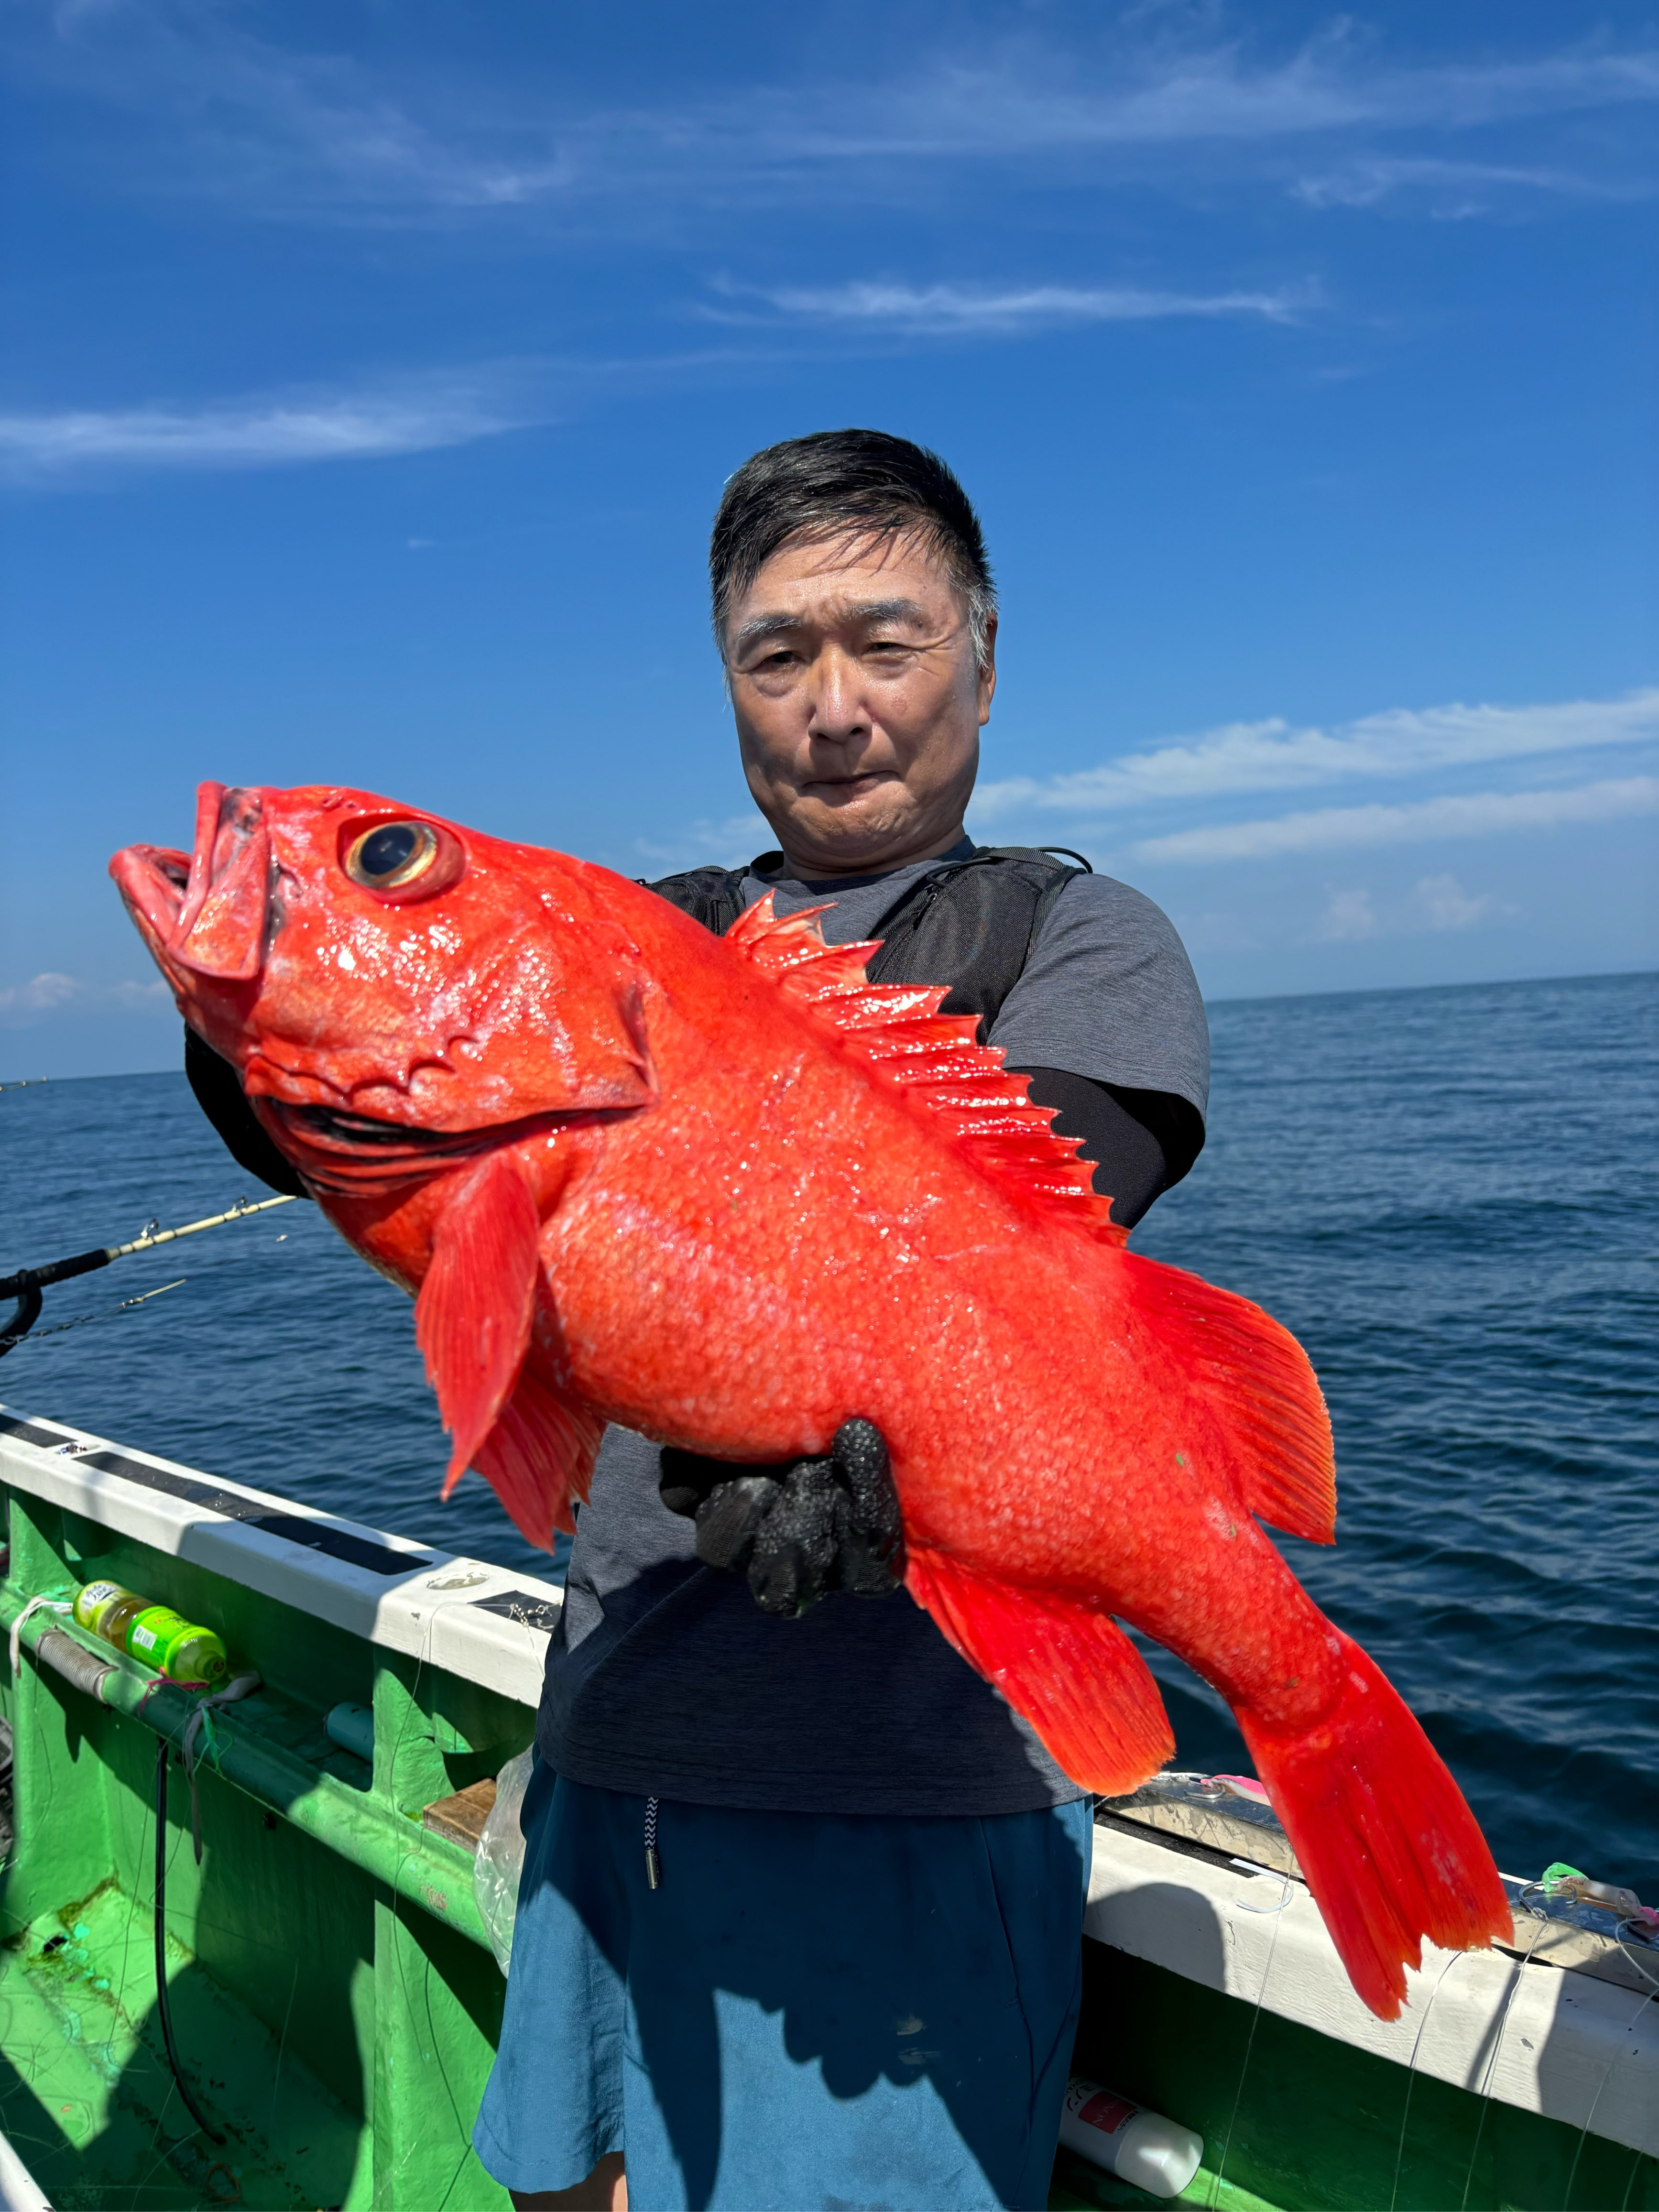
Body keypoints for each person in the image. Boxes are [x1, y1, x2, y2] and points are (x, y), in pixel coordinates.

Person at [185, 430, 1209, 2212]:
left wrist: (817, 1414)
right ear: (725, 678)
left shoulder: (1083, 935)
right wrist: (268, 994)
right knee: (558, 2190)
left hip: (905, 1785)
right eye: (776, 653)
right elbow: (375, 1145)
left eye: (884, 644)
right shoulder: (653, 936)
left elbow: (1033, 1243)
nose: (834, 706)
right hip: (608, 1746)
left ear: (982, 653)